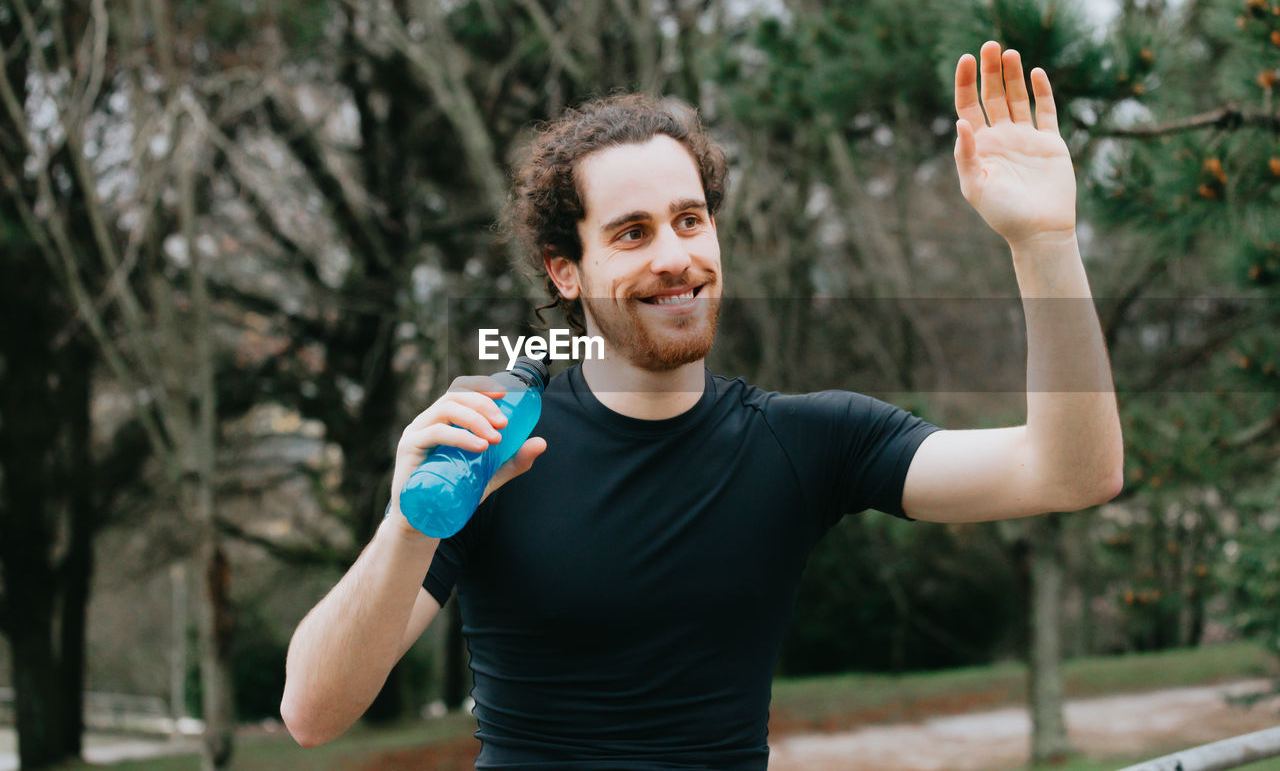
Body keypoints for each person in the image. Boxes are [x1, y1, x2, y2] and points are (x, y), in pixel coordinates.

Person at [280, 41, 1124, 767]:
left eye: (690, 220)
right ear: (564, 270)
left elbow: (1068, 472)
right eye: (632, 232)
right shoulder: (495, 448)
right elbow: (312, 714)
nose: (675, 256)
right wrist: (407, 522)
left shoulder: (805, 443)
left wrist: (1043, 241)